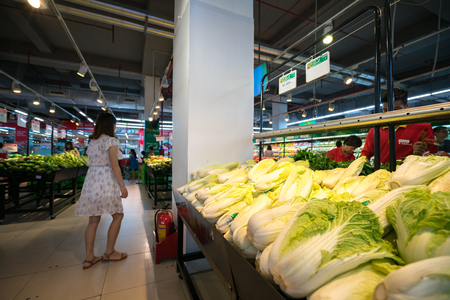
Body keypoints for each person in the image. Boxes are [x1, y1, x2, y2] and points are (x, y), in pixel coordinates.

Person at [75, 112, 128, 269]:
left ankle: (89, 257)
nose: (115, 126)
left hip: (91, 181)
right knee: (118, 215)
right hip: (105, 181)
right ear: (110, 125)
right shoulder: (111, 140)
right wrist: (122, 186)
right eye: (114, 123)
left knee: (93, 221)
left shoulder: (92, 141)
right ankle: (109, 252)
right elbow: (114, 165)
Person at [361, 88, 438, 163]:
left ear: (406, 106)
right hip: (380, 174)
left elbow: (433, 156)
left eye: (396, 109)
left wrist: (420, 154)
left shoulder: (423, 128)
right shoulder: (375, 130)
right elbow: (365, 154)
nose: (390, 114)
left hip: (409, 174)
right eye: (385, 110)